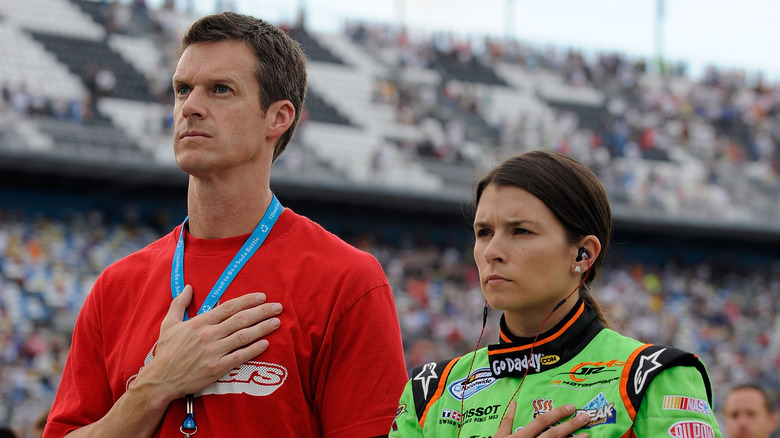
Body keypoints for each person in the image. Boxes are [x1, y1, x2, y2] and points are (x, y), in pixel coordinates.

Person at [44, 12, 407, 437]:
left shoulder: (347, 282)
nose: (190, 107)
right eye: (182, 89)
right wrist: (156, 385)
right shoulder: (115, 288)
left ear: (278, 118)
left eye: (220, 90)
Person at [390, 150, 722, 437]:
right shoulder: (429, 391)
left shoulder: (653, 376)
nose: (492, 251)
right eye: (484, 232)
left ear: (583, 255)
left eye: (520, 231)